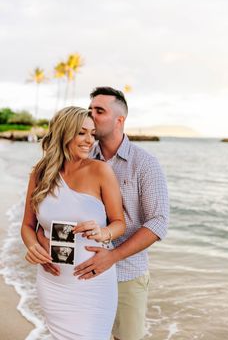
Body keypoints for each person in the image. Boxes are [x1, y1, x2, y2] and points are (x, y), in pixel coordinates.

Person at [38, 88, 169, 340]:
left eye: (100, 111)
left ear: (119, 120)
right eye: (90, 110)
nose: (92, 116)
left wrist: (113, 256)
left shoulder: (145, 163)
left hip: (126, 272)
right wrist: (40, 239)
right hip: (77, 274)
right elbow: (51, 210)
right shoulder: (81, 156)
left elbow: (159, 222)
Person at [21, 106, 125, 340]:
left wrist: (103, 231)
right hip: (53, 281)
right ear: (64, 132)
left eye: (92, 134)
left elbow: (120, 222)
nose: (90, 140)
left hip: (93, 282)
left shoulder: (101, 171)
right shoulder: (40, 173)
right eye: (82, 133)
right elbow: (28, 226)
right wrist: (33, 247)